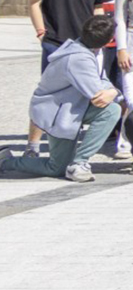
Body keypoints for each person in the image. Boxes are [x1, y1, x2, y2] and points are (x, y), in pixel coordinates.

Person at [2, 16, 122, 182]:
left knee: (111, 110)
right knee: (56, 168)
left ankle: (78, 162)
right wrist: (115, 92)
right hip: (57, 113)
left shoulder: (86, 48)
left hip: (70, 107)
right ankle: (7, 162)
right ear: (108, 40)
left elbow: (102, 80)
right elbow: (98, 96)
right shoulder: (79, 59)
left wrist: (112, 91)